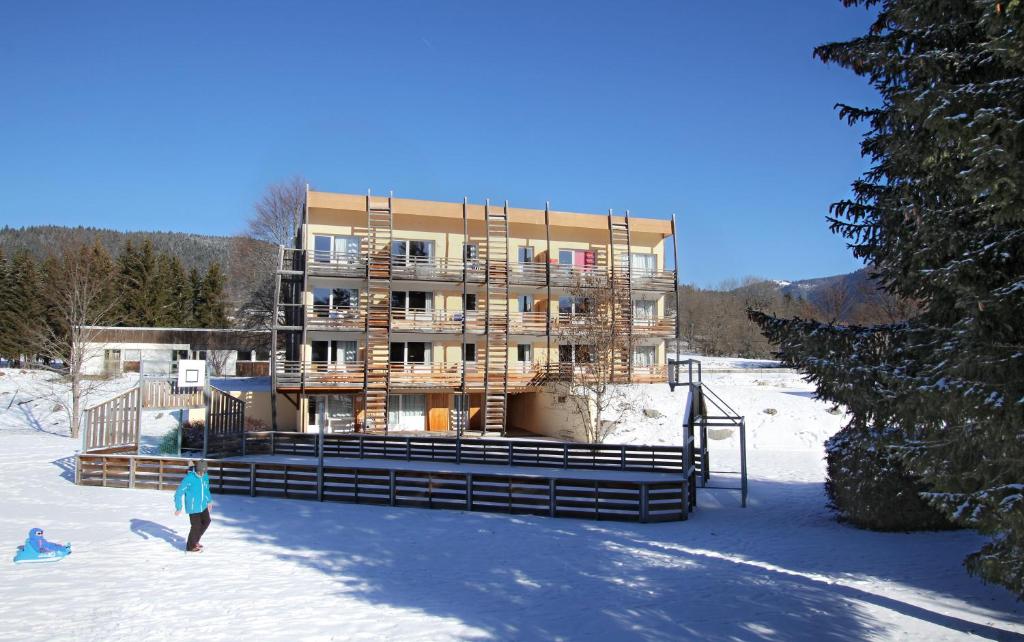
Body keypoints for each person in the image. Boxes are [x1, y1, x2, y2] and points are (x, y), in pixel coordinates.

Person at [173, 459, 212, 552]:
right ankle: (190, 546)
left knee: (207, 521)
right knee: (196, 526)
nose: (202, 474)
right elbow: (179, 493)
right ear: (196, 470)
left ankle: (195, 540)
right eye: (200, 472)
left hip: (202, 504)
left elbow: (206, 489)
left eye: (204, 472)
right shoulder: (189, 478)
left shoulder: (205, 476)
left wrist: (209, 501)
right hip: (193, 506)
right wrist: (179, 507)